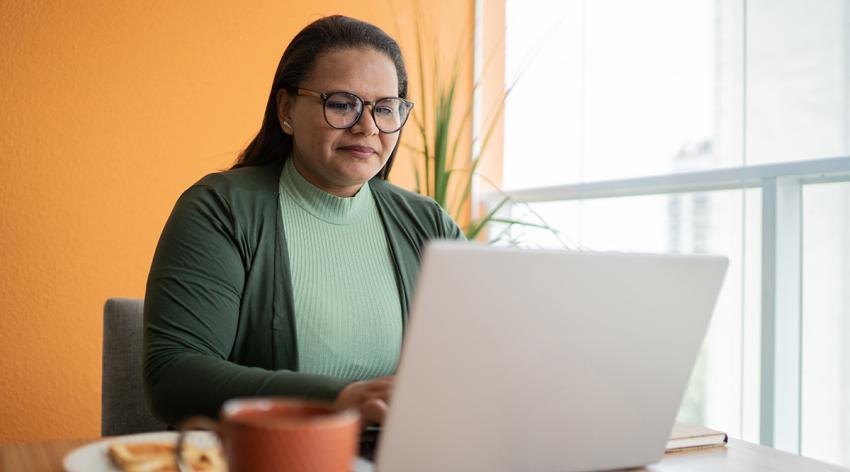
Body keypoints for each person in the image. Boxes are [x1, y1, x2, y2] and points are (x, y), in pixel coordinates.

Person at [143, 15, 464, 428]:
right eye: (342, 104)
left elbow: (484, 356)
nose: (367, 127)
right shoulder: (219, 209)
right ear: (287, 110)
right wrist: (340, 398)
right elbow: (172, 376)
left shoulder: (429, 224)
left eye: (385, 109)